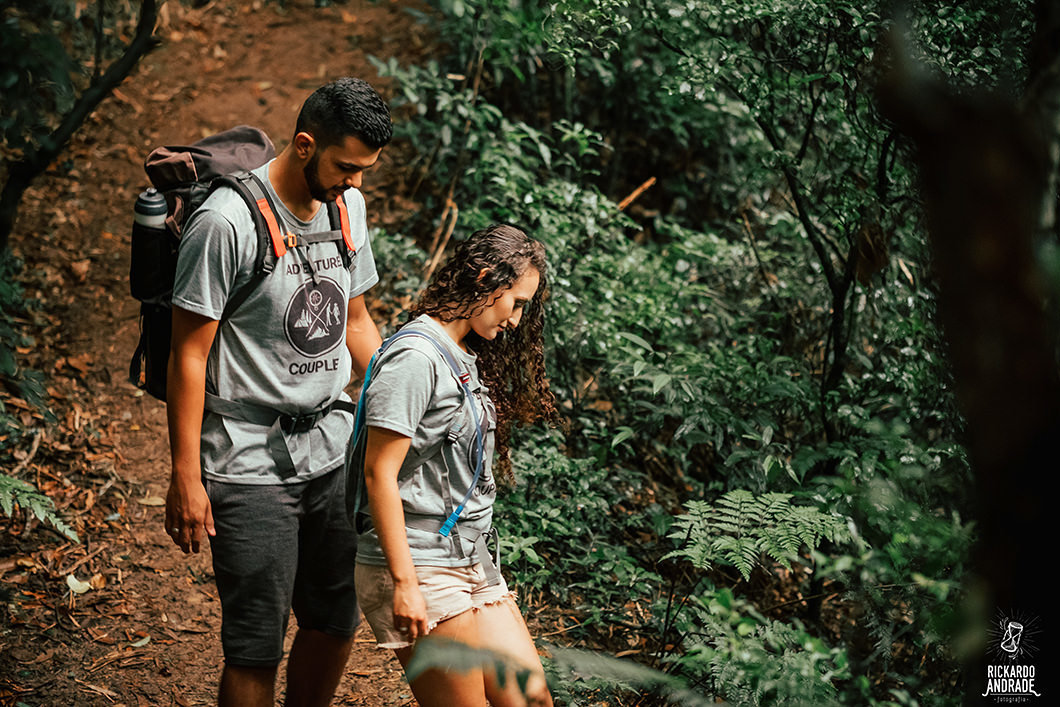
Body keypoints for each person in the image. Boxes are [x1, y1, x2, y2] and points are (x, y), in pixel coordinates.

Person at [163, 77, 391, 706]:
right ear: (303, 145)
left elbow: (355, 321)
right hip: (246, 457)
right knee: (255, 645)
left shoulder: (348, 208)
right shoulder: (227, 221)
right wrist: (187, 477)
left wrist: (397, 401)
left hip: (334, 445)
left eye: (364, 170)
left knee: (334, 618)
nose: (354, 182)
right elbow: (189, 353)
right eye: (345, 167)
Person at [353, 224, 556, 707]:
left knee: (530, 699)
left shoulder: (461, 351)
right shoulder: (415, 357)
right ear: (486, 280)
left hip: (468, 557)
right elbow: (377, 471)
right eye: (517, 303)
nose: (518, 319)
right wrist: (404, 585)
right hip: (418, 559)